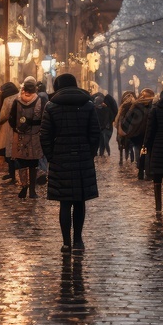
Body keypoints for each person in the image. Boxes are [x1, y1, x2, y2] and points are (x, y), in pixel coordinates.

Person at [40, 73, 100, 254]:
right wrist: (89, 154)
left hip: (61, 156)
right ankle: (78, 240)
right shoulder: (88, 105)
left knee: (65, 202)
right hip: (82, 156)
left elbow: (45, 135)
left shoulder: (51, 106)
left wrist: (51, 156)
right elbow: (95, 133)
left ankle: (66, 242)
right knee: (79, 201)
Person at [9, 76, 46, 198]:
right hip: (35, 135)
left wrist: (17, 128)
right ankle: (32, 190)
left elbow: (11, 118)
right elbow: (44, 118)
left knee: (22, 163)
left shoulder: (17, 100)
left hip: (20, 135)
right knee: (33, 164)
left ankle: (23, 187)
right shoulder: (40, 100)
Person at [124, 88, 156, 180]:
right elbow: (128, 118)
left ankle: (145, 171)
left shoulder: (152, 107)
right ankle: (142, 171)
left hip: (146, 134)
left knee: (145, 153)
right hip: (138, 135)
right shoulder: (137, 106)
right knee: (141, 153)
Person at [0, 81, 19, 183]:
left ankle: (12, 175)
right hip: (19, 128)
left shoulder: (7, 100)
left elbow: (2, 115)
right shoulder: (20, 97)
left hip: (8, 127)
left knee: (9, 152)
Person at [114, 91, 136, 165]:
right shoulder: (134, 105)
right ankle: (130, 158)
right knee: (129, 144)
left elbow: (118, 117)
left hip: (124, 126)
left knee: (122, 143)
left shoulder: (123, 106)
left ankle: (123, 158)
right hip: (128, 126)